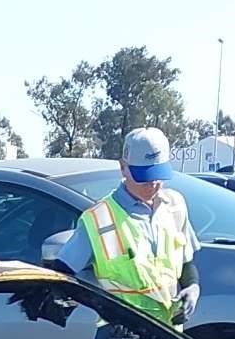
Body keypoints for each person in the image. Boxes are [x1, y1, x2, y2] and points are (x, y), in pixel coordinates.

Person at [53, 127, 200, 325]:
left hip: (169, 335)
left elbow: (185, 263)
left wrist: (192, 287)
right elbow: (62, 272)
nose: (153, 183)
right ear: (123, 167)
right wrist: (98, 304)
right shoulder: (100, 219)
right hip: (123, 337)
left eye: (158, 174)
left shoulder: (175, 206)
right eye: (144, 176)